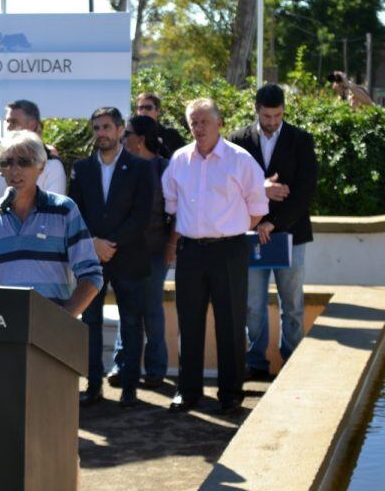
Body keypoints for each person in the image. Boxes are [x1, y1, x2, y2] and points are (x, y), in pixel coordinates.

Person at [162, 98, 268, 415]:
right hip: (191, 251)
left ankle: (231, 393)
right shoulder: (179, 160)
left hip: (229, 250)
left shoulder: (240, 160)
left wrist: (229, 231)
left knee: (231, 322)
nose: (198, 128)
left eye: (204, 121)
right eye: (193, 122)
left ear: (219, 123)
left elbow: (257, 209)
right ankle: (188, 390)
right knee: (189, 322)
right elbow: (171, 204)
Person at [229, 84, 318, 381]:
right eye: (267, 116)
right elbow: (230, 188)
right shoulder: (238, 140)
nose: (272, 121)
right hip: (250, 234)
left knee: (292, 303)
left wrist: (273, 223)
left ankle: (292, 359)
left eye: (277, 115)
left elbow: (305, 192)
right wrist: (262, 191)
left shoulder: (301, 140)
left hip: (291, 233)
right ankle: (255, 361)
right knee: (253, 303)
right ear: (257, 110)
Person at [69, 107, 153, 408]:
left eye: (106, 127)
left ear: (120, 130)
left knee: (131, 322)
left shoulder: (141, 168)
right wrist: (93, 243)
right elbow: (75, 211)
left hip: (128, 256)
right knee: (89, 320)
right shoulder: (81, 168)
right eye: (96, 128)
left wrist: (110, 243)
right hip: (91, 258)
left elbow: (143, 215)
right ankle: (93, 385)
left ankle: (129, 388)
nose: (101, 133)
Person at [0, 129, 102, 315]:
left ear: (41, 166)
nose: (15, 170)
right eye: (7, 163)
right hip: (5, 329)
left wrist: (65, 318)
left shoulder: (64, 210)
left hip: (52, 331)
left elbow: (91, 274)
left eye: (24, 162)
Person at [107, 115, 174, 390]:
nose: (123, 139)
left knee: (151, 310)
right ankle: (122, 366)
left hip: (155, 252)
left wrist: (171, 246)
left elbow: (177, 212)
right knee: (127, 310)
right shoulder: (121, 167)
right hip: (125, 252)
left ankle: (157, 369)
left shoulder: (165, 169)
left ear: (140, 139)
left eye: (128, 134)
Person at [0, 99, 66, 211]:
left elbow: (54, 210)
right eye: (7, 122)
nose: (8, 127)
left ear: (32, 124)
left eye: (14, 122)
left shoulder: (52, 165)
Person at [135, 92, 187, 158]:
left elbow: (183, 159)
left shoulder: (170, 133)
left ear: (158, 111)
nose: (144, 111)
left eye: (148, 107)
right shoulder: (132, 134)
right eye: (140, 108)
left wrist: (160, 147)